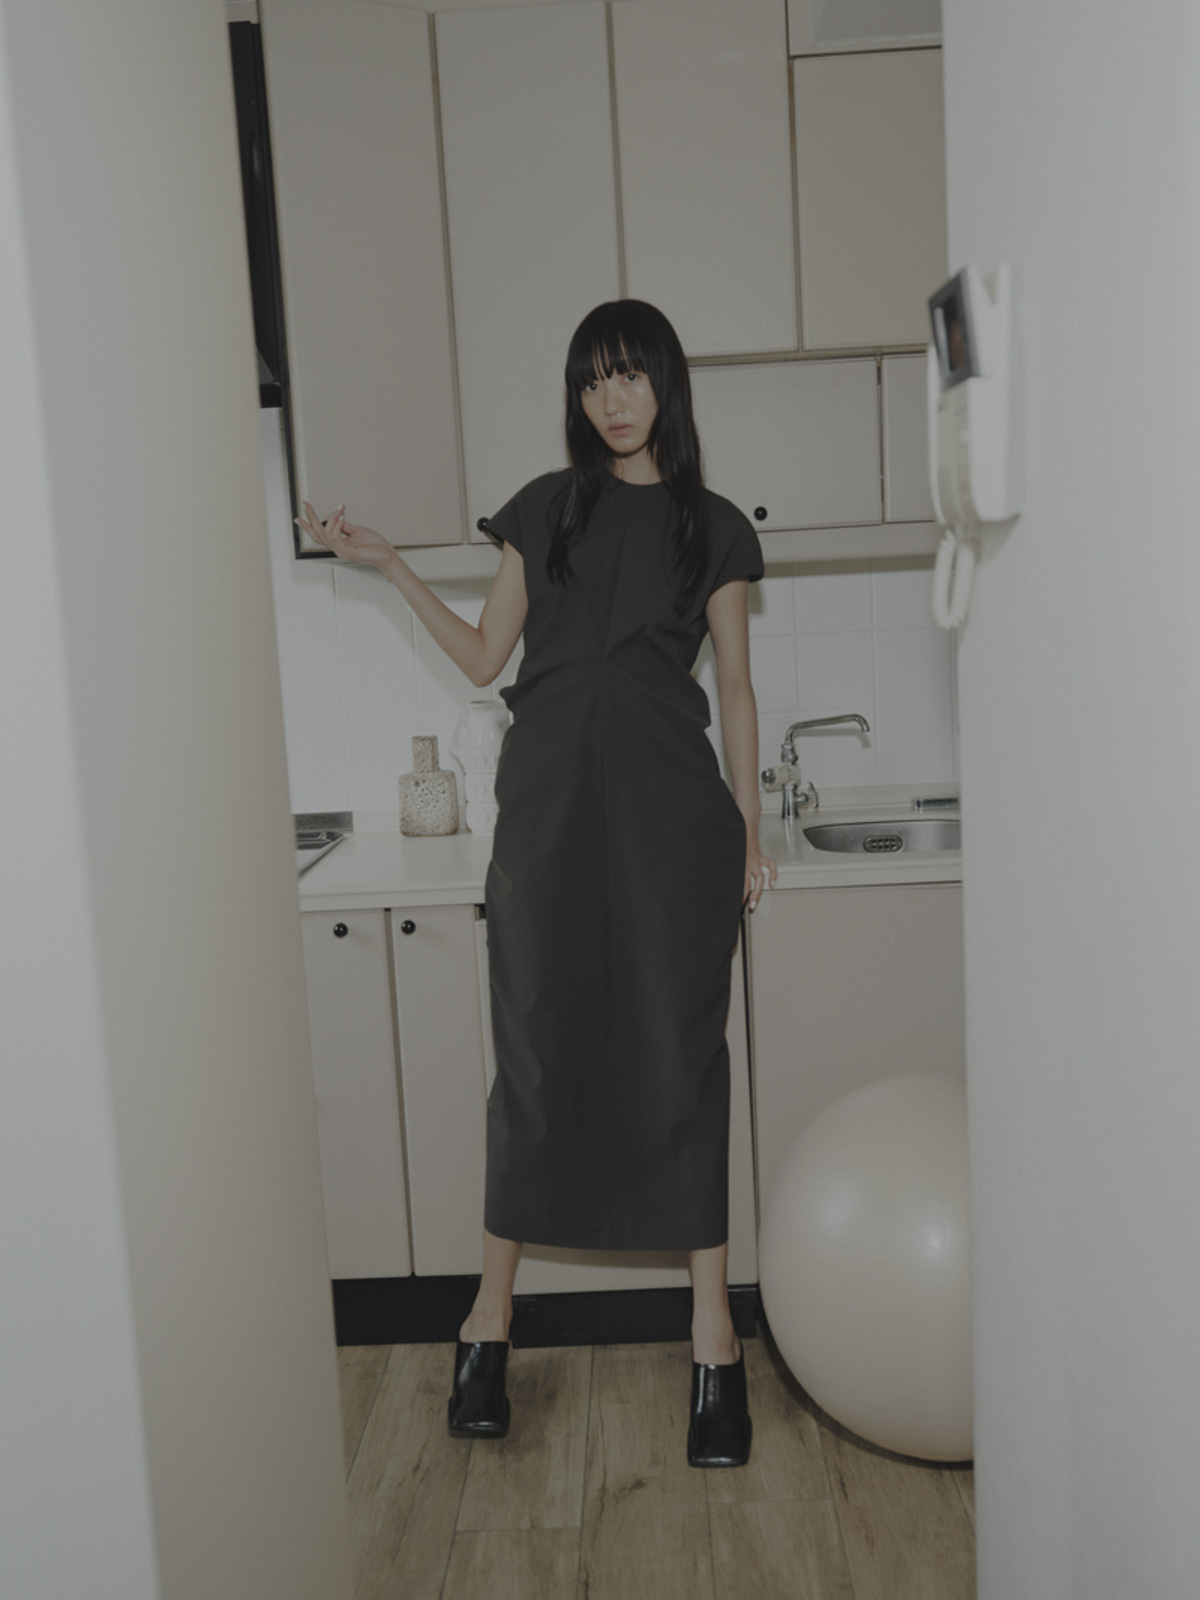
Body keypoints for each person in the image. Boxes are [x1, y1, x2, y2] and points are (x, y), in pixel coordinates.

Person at [298, 299, 776, 1467]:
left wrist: (749, 830)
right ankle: (488, 1319)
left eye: (631, 376)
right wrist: (392, 565)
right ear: (578, 396)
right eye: (593, 380)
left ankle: (713, 1340)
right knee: (536, 1059)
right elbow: (483, 656)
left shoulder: (713, 527)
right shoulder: (542, 510)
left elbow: (736, 687)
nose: (613, 399)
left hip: (672, 824)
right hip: (550, 818)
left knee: (680, 1062)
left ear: (665, 385)